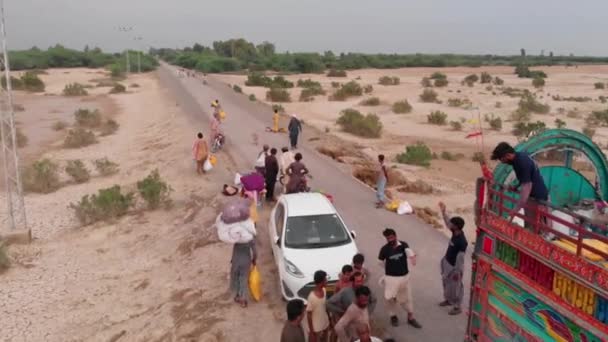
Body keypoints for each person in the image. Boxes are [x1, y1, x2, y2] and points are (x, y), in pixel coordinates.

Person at [490, 142, 550, 226]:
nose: (503, 162)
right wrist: (516, 186)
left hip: (539, 199)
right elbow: (527, 176)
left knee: (540, 227)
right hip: (533, 197)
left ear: (507, 155)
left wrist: (516, 209)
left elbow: (527, 186)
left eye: (502, 159)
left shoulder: (521, 162)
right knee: (531, 225)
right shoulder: (518, 158)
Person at [378, 228, 421, 328]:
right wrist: (388, 268)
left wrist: (412, 258)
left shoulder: (403, 245)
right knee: (390, 299)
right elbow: (380, 261)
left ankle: (410, 318)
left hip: (404, 277)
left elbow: (409, 252)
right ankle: (393, 316)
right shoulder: (384, 249)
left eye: (392, 237)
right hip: (391, 278)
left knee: (407, 299)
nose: (390, 240)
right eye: (388, 238)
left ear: (395, 236)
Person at [438, 202, 468, 315]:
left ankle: (457, 306)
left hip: (454, 268)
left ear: (456, 226)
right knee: (445, 283)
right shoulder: (454, 232)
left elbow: (460, 259)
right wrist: (443, 211)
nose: (450, 224)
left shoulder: (462, 242)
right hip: (447, 262)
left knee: (456, 287)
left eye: (452, 224)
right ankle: (448, 300)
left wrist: (457, 272)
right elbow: (447, 222)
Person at [230, 239, 256, 308]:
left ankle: (237, 295)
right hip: (245, 262)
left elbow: (234, 249)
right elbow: (255, 251)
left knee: (236, 278)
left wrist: (232, 259)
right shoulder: (249, 237)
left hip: (236, 261)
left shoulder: (236, 236)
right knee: (243, 280)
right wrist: (254, 260)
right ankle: (243, 300)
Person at [307, 270, 330, 342]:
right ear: (321, 282)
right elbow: (309, 315)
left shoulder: (324, 290)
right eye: (325, 279)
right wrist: (312, 332)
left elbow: (325, 307)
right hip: (316, 328)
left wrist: (329, 319)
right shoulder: (311, 297)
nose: (327, 281)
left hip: (325, 324)